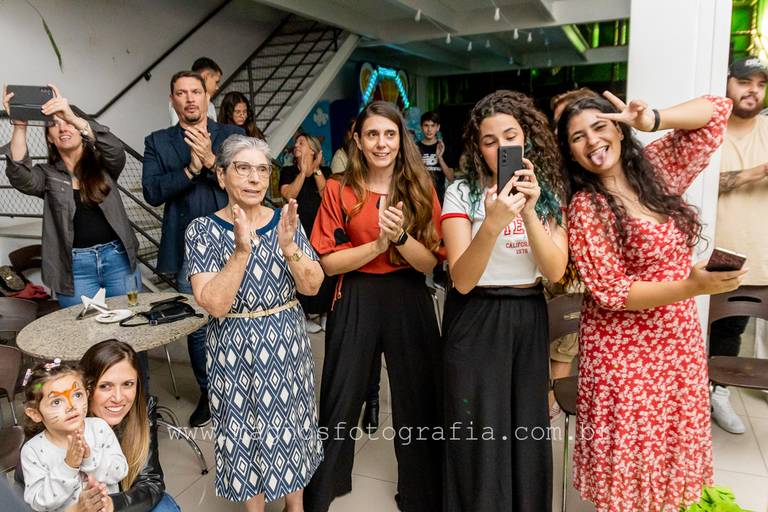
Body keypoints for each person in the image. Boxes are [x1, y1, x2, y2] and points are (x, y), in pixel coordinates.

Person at [558, 92, 742, 511]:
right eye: (578, 137)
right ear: (570, 153)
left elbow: (717, 111)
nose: (592, 141)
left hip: (677, 341)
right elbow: (612, 292)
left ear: (620, 129)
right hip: (623, 353)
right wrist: (691, 287)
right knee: (634, 457)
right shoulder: (587, 206)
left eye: (600, 126)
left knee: (670, 451)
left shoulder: (655, 169)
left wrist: (653, 118)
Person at [304, 101, 443, 512]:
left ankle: (420, 494)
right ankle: (326, 486)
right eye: (372, 134)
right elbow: (328, 263)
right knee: (340, 393)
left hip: (408, 296)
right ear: (358, 141)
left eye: (389, 134)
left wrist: (399, 238)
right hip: (356, 292)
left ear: (401, 140)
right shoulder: (338, 188)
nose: (381, 143)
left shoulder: (420, 187)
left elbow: (429, 263)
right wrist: (378, 245)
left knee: (417, 398)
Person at [440, 90, 568, 512]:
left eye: (510, 137)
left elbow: (554, 271)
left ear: (525, 137)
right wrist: (492, 223)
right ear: (477, 147)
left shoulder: (548, 193)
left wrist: (528, 211)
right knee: (477, 427)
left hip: (527, 314)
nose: (501, 148)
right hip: (474, 315)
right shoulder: (461, 192)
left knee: (524, 422)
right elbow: (461, 280)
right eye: (489, 141)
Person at [185, 134, 324, 511]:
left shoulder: (285, 222)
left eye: (262, 170)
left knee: (291, 426)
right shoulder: (201, 230)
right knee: (243, 432)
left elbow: (312, 285)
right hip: (232, 346)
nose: (254, 178)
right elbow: (214, 304)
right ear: (221, 175)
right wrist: (241, 251)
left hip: (285, 343)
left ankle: (295, 506)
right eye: (243, 168)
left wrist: (289, 247)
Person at [142, 70, 243, 428]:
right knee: (199, 325)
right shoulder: (158, 141)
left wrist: (212, 162)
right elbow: (152, 192)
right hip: (190, 250)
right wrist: (190, 169)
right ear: (172, 100)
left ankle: (242, 386)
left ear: (206, 97)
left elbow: (245, 180)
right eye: (181, 93)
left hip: (234, 241)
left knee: (239, 316)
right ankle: (209, 393)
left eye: (195, 92)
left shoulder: (231, 136)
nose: (189, 99)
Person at [2, 85, 140, 309]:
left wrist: (72, 115)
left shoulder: (104, 165)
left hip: (117, 259)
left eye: (67, 122)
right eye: (54, 124)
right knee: (81, 329)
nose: (62, 127)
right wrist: (19, 125)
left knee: (129, 319)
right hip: (74, 268)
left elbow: (116, 149)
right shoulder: (46, 175)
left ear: (79, 130)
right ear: (49, 139)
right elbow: (20, 176)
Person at [710, 57, 768, 434]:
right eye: (745, 81)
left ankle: (719, 394)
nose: (753, 91)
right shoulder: (711, 132)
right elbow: (702, 184)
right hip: (708, 254)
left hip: (756, 255)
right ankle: (686, 397)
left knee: (731, 332)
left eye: (761, 84)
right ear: (728, 83)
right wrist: (757, 172)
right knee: (691, 331)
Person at [546, 87, 599, 420]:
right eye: (560, 122)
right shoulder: (548, 167)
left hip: (579, 273)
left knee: (565, 345)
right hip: (544, 265)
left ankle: (552, 402)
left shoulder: (599, 171)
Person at [21, 360, 128, 512]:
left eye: (77, 395)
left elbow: (120, 471)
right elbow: (39, 503)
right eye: (56, 402)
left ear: (87, 395)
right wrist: (68, 466)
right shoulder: (32, 451)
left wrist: (90, 458)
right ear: (35, 413)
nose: (71, 406)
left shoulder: (99, 428)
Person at [279, 134, 334, 332]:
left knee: (325, 271)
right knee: (301, 271)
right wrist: (303, 172)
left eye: (301, 143)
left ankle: (325, 312)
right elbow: (289, 195)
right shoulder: (288, 171)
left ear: (313, 149)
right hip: (299, 230)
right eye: (296, 142)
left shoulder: (325, 172)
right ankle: (304, 314)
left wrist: (315, 168)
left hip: (323, 229)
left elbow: (328, 197)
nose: (296, 145)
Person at [169, 57, 221, 125]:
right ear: (206, 76)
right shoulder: (181, 102)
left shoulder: (211, 106)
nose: (217, 87)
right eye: (216, 82)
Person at [417, 111, 455, 202]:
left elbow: (451, 177)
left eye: (433, 126)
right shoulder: (415, 148)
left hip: (439, 197)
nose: (429, 129)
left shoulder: (443, 148)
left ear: (438, 127)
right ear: (421, 127)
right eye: (426, 125)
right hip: (420, 195)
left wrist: (440, 158)